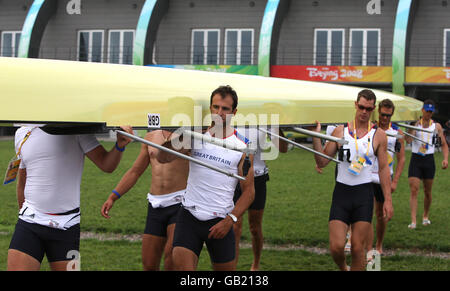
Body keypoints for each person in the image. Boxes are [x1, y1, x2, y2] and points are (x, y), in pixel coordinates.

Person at [7, 125, 133, 271]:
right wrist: (23, 214)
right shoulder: (22, 132)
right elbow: (22, 181)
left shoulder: (76, 129)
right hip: (29, 223)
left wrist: (119, 146)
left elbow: (107, 165)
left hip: (67, 226)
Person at [157, 85, 255, 271]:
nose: (219, 113)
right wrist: (179, 136)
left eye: (225, 109)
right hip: (189, 216)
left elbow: (249, 193)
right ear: (210, 108)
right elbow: (162, 158)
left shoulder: (243, 146)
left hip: (220, 220)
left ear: (234, 112)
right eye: (215, 107)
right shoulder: (196, 136)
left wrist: (230, 221)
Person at [311, 89, 394, 271]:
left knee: (358, 248)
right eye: (362, 107)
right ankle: (343, 267)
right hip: (342, 193)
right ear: (356, 105)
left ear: (373, 109)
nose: (364, 112)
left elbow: (383, 168)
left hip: (363, 194)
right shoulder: (341, 131)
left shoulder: (379, 135)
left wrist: (388, 199)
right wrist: (316, 137)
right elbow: (322, 161)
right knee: (336, 246)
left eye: (369, 109)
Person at [100, 129, 189, 270]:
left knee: (171, 260)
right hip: (155, 205)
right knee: (149, 264)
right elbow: (135, 171)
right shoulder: (150, 136)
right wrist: (113, 197)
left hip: (180, 203)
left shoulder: (188, 136)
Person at [232, 127, 288, 271]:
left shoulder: (263, 116)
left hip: (258, 177)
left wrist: (277, 125)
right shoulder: (233, 115)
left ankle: (255, 265)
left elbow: (282, 148)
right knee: (234, 227)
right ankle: (232, 267)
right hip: (234, 178)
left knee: (255, 227)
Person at [368, 99, 405, 254]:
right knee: (364, 212)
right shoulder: (371, 128)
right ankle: (366, 246)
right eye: (383, 115)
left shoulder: (397, 133)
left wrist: (395, 181)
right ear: (378, 112)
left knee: (381, 214)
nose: (385, 118)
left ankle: (379, 245)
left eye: (388, 116)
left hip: (384, 179)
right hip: (368, 176)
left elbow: (401, 158)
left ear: (392, 114)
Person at [405, 100, 448, 229]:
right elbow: (408, 140)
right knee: (414, 190)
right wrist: (413, 126)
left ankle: (425, 216)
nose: (428, 113)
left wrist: (445, 159)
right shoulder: (414, 124)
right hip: (416, 159)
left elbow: (444, 144)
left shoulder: (436, 126)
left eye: (430, 111)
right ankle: (413, 221)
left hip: (429, 160)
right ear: (422, 110)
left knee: (428, 192)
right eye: (426, 111)